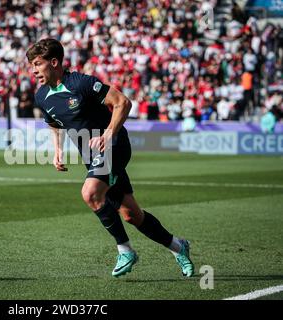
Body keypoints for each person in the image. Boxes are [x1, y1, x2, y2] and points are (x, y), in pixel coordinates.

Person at [26, 38, 194, 278]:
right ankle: (179, 247)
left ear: (54, 62)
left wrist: (107, 134)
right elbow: (54, 123)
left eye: (37, 64)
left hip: (115, 145)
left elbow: (123, 103)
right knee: (131, 215)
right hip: (93, 156)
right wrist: (58, 150)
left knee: (90, 193)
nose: (33, 70)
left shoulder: (82, 83)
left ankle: (125, 250)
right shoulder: (42, 96)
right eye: (31, 65)